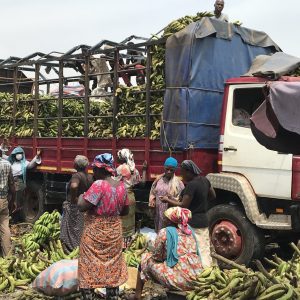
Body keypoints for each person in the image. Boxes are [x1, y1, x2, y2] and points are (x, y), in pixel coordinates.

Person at [77, 153, 129, 300]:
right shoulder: (121, 186)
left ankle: (89, 296)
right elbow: (125, 211)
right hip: (114, 232)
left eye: (95, 169)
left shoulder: (99, 185)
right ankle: (112, 296)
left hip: (95, 232)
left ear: (101, 170)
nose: (93, 171)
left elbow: (82, 206)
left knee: (89, 265)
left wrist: (82, 195)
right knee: (112, 266)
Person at [131, 207, 203, 300]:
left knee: (145, 259)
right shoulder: (189, 232)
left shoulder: (165, 232)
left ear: (171, 221)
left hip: (180, 278)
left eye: (166, 218)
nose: (164, 219)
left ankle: (137, 295)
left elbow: (156, 256)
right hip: (196, 277)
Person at [161, 160, 216, 268]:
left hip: (193, 222)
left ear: (188, 171)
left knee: (197, 249)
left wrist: (167, 200)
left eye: (182, 172)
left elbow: (183, 205)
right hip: (204, 219)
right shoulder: (205, 180)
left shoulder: (192, 185)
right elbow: (213, 196)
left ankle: (202, 271)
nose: (182, 175)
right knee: (204, 247)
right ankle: (208, 268)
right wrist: (200, 202)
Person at [60, 155, 94, 252]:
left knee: (72, 229)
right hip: (85, 206)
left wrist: (74, 198)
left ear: (77, 165)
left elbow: (74, 186)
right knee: (81, 228)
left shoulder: (77, 176)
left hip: (75, 207)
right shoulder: (90, 177)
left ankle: (72, 248)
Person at [116, 149, 147, 247]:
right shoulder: (134, 169)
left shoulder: (119, 169)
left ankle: (119, 245)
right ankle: (129, 245)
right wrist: (145, 170)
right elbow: (142, 183)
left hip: (120, 196)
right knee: (130, 219)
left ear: (122, 158)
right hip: (130, 197)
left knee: (120, 220)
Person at [149, 157, 184, 233]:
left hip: (170, 214)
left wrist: (170, 199)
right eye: (167, 169)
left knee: (169, 234)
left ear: (175, 170)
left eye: (171, 170)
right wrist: (153, 200)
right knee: (159, 232)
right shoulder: (158, 180)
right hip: (159, 212)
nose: (168, 172)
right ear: (164, 167)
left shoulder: (179, 183)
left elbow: (182, 201)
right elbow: (153, 192)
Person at [6, 147, 41, 222]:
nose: (19, 155)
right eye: (17, 154)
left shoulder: (24, 163)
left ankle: (16, 219)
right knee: (10, 200)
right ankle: (10, 216)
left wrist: (37, 156)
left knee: (18, 201)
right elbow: (3, 156)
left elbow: (31, 165)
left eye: (20, 154)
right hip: (11, 182)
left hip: (19, 183)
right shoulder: (11, 162)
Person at [0, 149, 16, 256]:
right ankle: (7, 256)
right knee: (4, 226)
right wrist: (13, 201)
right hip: (2, 200)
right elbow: (12, 185)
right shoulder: (7, 164)